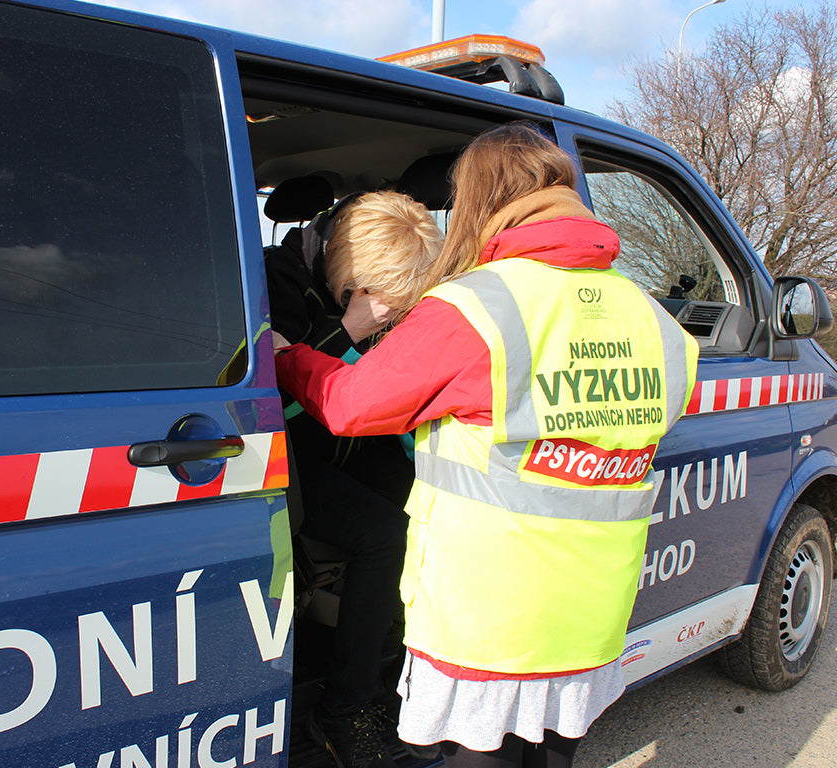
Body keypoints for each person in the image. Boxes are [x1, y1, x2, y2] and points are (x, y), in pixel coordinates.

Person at [274, 123, 699, 768]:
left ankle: (350, 705)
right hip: (592, 616)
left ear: (477, 202)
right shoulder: (652, 317)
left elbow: (351, 403)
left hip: (489, 621)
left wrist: (288, 361)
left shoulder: (473, 308)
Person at [265, 189, 443, 768]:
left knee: (431, 505)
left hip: (349, 445)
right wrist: (348, 329)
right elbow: (274, 402)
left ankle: (400, 677)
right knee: (383, 533)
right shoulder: (280, 281)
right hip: (288, 457)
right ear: (355, 282)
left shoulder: (377, 294)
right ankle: (345, 708)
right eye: (383, 304)